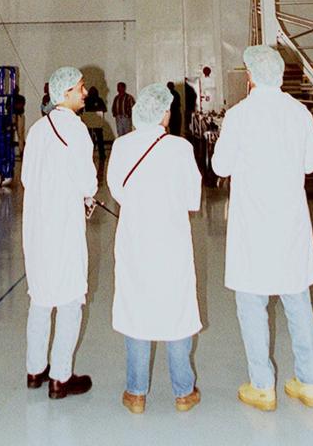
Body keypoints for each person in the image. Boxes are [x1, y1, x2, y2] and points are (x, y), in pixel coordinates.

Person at [211, 44, 313, 413]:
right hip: (290, 223)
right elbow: (312, 162)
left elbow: (221, 167)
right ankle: (308, 383)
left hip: (253, 225)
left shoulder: (239, 116)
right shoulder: (300, 113)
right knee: (298, 301)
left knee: (252, 304)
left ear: (250, 77)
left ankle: (263, 386)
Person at [108, 83, 202, 414]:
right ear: (164, 114)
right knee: (176, 310)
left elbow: (117, 189)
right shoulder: (180, 148)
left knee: (137, 309)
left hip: (135, 238)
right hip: (171, 240)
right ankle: (183, 392)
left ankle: (135, 393)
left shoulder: (121, 146)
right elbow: (193, 199)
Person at [21, 65, 98, 399]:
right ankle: (61, 378)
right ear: (65, 92)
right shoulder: (76, 130)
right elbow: (87, 182)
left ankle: (35, 370)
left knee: (40, 298)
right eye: (81, 87)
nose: (85, 93)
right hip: (64, 225)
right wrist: (86, 196)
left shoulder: (37, 129)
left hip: (36, 224)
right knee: (69, 300)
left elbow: (26, 179)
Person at [82, 85, 107, 169]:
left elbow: (104, 108)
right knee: (89, 139)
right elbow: (83, 109)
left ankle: (102, 154)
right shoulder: (87, 100)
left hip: (97, 122)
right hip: (89, 121)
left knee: (100, 138)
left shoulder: (99, 100)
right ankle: (89, 155)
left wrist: (97, 109)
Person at [12, 86, 26, 152]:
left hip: (20, 116)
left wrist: (14, 106)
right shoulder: (10, 97)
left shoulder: (21, 98)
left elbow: (20, 106)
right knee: (11, 134)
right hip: (13, 116)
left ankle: (21, 150)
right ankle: (12, 150)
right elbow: (8, 107)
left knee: (20, 134)